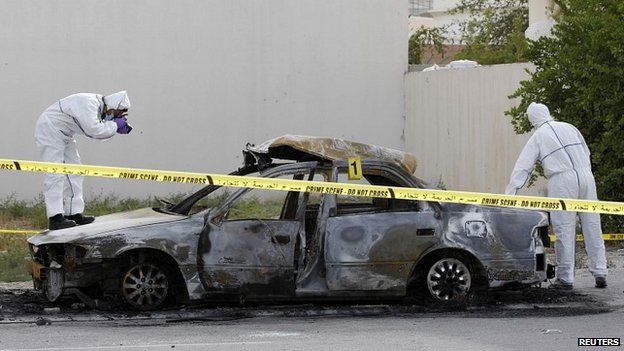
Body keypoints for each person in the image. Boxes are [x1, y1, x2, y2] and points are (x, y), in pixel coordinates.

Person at [505, 102, 607, 289]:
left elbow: (523, 166)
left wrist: (510, 194)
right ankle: (600, 272)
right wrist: (585, 172)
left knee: (564, 229)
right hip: (586, 176)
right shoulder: (569, 127)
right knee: (592, 225)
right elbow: (586, 151)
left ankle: (566, 278)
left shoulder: (538, 136)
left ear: (532, 119)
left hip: (561, 181)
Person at [34, 91, 132, 230]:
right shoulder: (89, 104)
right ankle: (55, 217)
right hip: (49, 129)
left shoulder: (100, 107)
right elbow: (94, 131)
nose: (116, 116)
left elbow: (98, 131)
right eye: (117, 113)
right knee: (55, 173)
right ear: (113, 106)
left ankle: (73, 213)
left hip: (64, 133)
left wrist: (113, 126)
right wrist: (115, 126)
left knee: (75, 170)